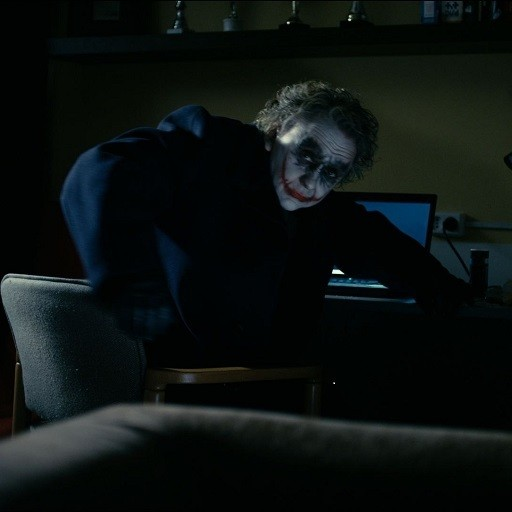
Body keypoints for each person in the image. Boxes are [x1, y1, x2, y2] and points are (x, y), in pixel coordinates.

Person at [60, 80, 473, 370]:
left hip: (255, 392)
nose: (310, 183)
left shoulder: (323, 211)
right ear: (275, 131)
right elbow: (102, 170)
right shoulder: (209, 147)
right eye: (306, 156)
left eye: (331, 173)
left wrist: (448, 291)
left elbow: (379, 243)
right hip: (175, 381)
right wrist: (130, 279)